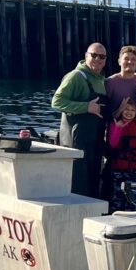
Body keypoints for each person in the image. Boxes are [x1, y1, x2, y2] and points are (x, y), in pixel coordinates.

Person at [51, 42, 109, 199]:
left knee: (92, 180)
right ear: (86, 56)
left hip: (94, 141)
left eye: (102, 56)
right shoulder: (76, 76)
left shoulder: (101, 80)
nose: (97, 59)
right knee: (78, 181)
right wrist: (86, 107)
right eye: (94, 55)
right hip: (76, 141)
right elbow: (56, 102)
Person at [106, 99, 136, 212]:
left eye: (133, 110)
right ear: (121, 110)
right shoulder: (114, 125)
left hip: (134, 171)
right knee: (117, 198)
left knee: (133, 199)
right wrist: (118, 128)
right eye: (127, 109)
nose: (129, 112)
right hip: (118, 170)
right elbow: (113, 144)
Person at [105, 45, 136, 111]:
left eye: (133, 59)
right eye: (126, 59)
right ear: (119, 61)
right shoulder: (110, 82)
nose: (130, 62)